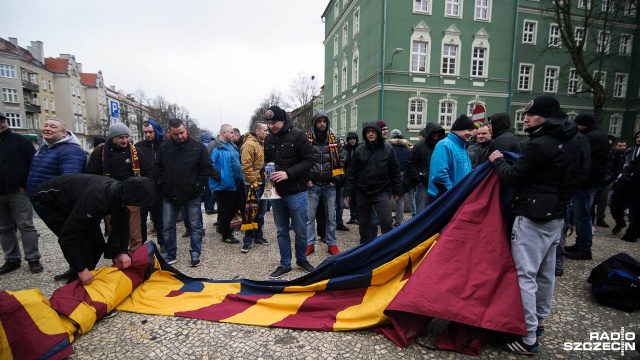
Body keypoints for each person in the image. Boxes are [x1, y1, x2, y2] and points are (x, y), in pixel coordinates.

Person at [488, 95, 589, 355]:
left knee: (525, 275)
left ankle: (527, 336)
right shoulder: (576, 139)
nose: (525, 118)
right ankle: (539, 322)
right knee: (545, 273)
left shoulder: (541, 144)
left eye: (530, 114)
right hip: (556, 215)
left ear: (546, 116)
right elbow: (582, 173)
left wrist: (498, 160)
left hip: (532, 217)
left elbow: (514, 176)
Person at [33, 174, 156, 285]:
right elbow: (67, 237)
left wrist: (122, 251)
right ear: (130, 198)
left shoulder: (120, 195)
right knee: (83, 246)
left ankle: (83, 275)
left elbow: (122, 224)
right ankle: (74, 286)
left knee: (97, 245)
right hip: (48, 203)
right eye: (137, 205)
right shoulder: (96, 200)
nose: (138, 208)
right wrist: (81, 269)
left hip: (77, 201)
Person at [26, 118, 87, 280]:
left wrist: (53, 201)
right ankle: (76, 267)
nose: (47, 129)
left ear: (64, 133)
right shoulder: (46, 148)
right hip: (44, 203)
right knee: (66, 238)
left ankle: (81, 270)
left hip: (57, 205)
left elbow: (69, 182)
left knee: (70, 238)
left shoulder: (70, 151)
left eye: (53, 127)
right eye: (46, 125)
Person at [155, 118, 216, 267]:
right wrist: (162, 184)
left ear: (186, 130)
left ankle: (195, 252)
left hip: (191, 194)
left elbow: (207, 167)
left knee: (195, 226)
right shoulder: (165, 147)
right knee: (168, 226)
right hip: (170, 194)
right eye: (176, 134)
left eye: (182, 132)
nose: (180, 136)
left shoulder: (197, 147)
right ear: (170, 133)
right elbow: (158, 168)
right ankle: (170, 253)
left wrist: (198, 185)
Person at [263, 105, 315, 279]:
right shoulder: (269, 139)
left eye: (274, 122)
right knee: (281, 230)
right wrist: (266, 172)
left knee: (300, 230)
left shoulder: (299, 135)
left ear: (283, 120)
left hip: (296, 192)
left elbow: (309, 160)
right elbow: (268, 161)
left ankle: (301, 259)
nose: (271, 126)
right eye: (269, 123)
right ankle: (285, 264)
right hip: (276, 192)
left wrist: (288, 173)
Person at [85, 122, 152, 252]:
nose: (125, 140)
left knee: (135, 233)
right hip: (110, 198)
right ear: (112, 137)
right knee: (114, 232)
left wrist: (142, 188)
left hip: (132, 198)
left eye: (127, 137)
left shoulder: (135, 152)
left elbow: (147, 172)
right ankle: (118, 258)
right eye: (121, 137)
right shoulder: (100, 153)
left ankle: (136, 260)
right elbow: (91, 174)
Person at [344, 121, 402, 244]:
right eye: (368, 132)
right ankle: (365, 248)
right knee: (364, 223)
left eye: (373, 131)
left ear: (378, 133)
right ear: (365, 134)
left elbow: (395, 171)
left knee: (386, 221)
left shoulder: (388, 149)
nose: (371, 134)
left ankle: (388, 248)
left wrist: (397, 190)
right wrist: (348, 191)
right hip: (362, 191)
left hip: (380, 191)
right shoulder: (360, 150)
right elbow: (351, 173)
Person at [565, 113, 609, 260]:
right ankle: (581, 244)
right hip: (590, 181)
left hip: (586, 183)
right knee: (582, 215)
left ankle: (584, 247)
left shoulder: (591, 137)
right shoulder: (597, 135)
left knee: (582, 215)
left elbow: (580, 157)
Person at [0, 113, 40, 275]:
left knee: (26, 226)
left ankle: (33, 258)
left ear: (6, 122)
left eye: (2, 121)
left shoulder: (21, 141)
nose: (1, 125)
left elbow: (34, 164)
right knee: (3, 228)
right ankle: (11, 259)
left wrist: (25, 186)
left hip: (18, 192)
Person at [305, 109, 345, 256]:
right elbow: (302, 160)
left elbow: (342, 160)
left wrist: (336, 180)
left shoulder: (334, 139)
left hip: (329, 184)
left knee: (331, 217)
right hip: (312, 184)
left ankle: (332, 243)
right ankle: (310, 244)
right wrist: (306, 179)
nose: (322, 124)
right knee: (309, 217)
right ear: (314, 123)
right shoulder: (307, 140)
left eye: (324, 121)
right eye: (319, 121)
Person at [210, 124, 245, 245]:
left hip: (236, 182)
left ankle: (223, 226)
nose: (233, 134)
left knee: (238, 204)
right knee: (226, 208)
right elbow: (209, 164)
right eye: (231, 132)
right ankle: (226, 234)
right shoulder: (214, 146)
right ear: (224, 133)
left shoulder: (232, 145)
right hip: (224, 184)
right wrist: (220, 177)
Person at [427, 114, 474, 202]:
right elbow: (439, 175)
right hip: (445, 197)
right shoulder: (444, 145)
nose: (471, 133)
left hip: (456, 196)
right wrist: (453, 192)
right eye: (469, 130)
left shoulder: (462, 147)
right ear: (458, 130)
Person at [134, 120, 165, 249]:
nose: (147, 135)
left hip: (160, 188)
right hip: (143, 189)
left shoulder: (164, 146)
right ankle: (140, 246)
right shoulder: (138, 146)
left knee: (161, 218)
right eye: (145, 132)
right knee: (140, 219)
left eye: (150, 132)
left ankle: (163, 243)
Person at [240, 122, 270, 253]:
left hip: (264, 183)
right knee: (250, 212)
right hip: (254, 185)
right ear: (257, 131)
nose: (267, 132)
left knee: (261, 213)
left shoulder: (261, 144)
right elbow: (246, 166)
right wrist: (253, 182)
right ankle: (247, 240)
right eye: (265, 130)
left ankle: (259, 235)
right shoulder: (249, 144)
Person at [407, 123, 445, 213]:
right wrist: (418, 180)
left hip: (439, 182)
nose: (436, 134)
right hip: (424, 183)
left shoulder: (443, 145)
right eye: (434, 132)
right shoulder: (420, 146)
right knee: (421, 210)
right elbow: (411, 164)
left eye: (438, 132)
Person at [611, 134, 638, 234]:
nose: (639, 139)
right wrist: (618, 176)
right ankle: (620, 222)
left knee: (634, 208)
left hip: (636, 183)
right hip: (623, 181)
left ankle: (632, 229)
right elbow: (621, 164)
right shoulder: (630, 150)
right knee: (615, 205)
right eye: (637, 137)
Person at [388, 129, 412, 227]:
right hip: (403, 176)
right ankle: (398, 221)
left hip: (390, 175)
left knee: (388, 199)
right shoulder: (407, 149)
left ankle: (388, 219)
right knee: (400, 200)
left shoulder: (389, 148)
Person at [343, 132, 360, 224]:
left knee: (358, 198)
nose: (352, 140)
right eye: (350, 139)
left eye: (354, 139)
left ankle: (358, 216)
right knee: (350, 198)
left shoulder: (360, 148)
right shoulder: (345, 148)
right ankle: (353, 216)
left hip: (357, 175)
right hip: (348, 176)